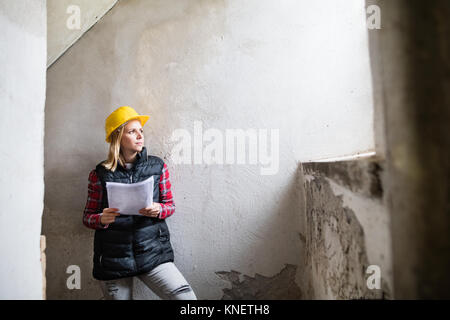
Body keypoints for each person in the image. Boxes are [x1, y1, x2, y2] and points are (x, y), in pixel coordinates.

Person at [82, 106, 197, 300]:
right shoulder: (99, 174)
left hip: (152, 253)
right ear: (118, 137)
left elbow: (170, 205)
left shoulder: (157, 166)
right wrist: (102, 218)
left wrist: (158, 209)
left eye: (141, 131)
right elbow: (87, 217)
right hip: (113, 259)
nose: (139, 136)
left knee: (186, 299)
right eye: (132, 131)